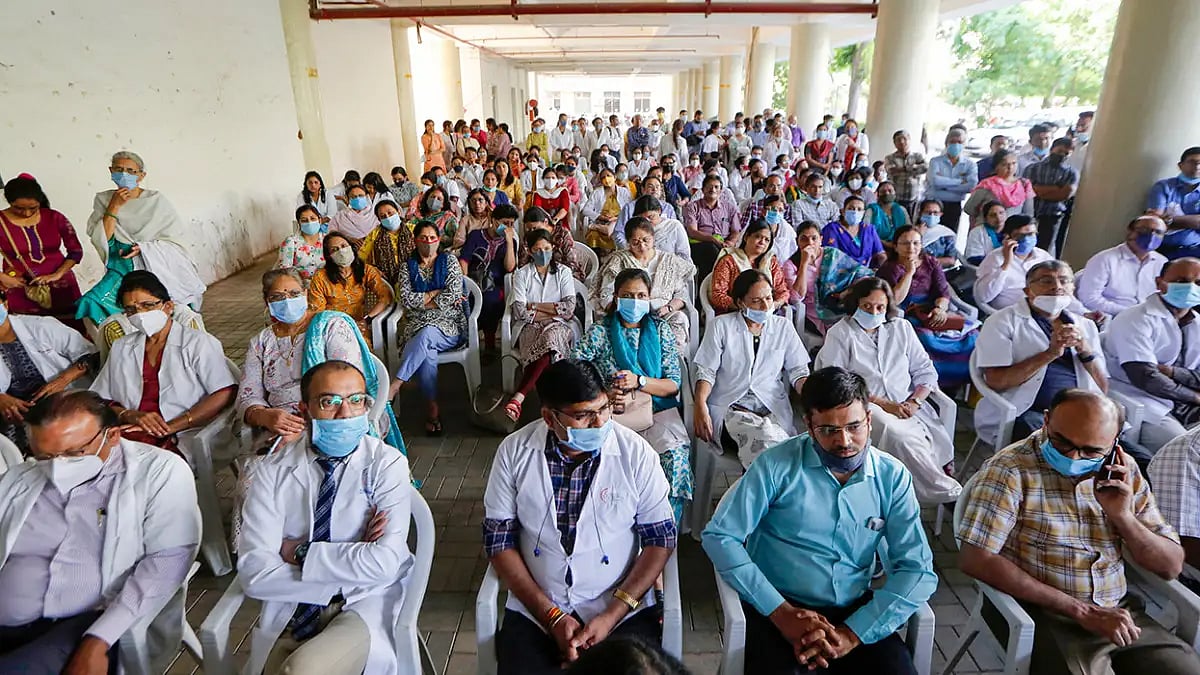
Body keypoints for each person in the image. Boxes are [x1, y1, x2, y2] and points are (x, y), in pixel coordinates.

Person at [703, 366, 935, 674]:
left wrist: (851, 634)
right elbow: (721, 536)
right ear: (809, 427)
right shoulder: (776, 466)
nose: (844, 441)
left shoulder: (892, 478)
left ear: (869, 419)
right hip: (779, 606)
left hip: (855, 612)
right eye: (828, 430)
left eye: (854, 426)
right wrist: (781, 612)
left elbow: (917, 569)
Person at [958, 389, 1200, 675]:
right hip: (1042, 612)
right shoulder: (1011, 469)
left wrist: (1123, 517)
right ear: (1045, 421)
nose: (1073, 457)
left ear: (1114, 443)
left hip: (1119, 611)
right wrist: (1082, 611)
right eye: (1061, 442)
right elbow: (976, 559)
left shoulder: (1122, 471)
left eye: (1090, 451)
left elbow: (1170, 566)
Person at [482, 358, 676, 675]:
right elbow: (499, 541)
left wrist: (612, 614)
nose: (599, 424)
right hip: (539, 606)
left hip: (620, 606)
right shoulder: (514, 452)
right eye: (583, 416)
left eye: (603, 409)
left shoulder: (636, 453)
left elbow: (660, 539)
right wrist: (552, 617)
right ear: (549, 417)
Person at [0, 391, 200, 674]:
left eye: (74, 453)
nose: (58, 467)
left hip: (85, 623)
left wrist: (97, 640)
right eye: (45, 456)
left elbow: (168, 560)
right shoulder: (19, 480)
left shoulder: (158, 472)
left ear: (113, 436)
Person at [238, 360, 413, 675]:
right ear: (304, 411)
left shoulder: (386, 465)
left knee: (301, 671)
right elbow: (255, 573)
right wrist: (354, 553)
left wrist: (299, 552)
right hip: (292, 611)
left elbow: (386, 563)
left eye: (356, 400)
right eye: (329, 402)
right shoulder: (271, 472)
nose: (345, 413)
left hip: (359, 605)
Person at [814, 279, 964, 504]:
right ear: (856, 304)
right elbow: (837, 383)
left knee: (922, 442)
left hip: (908, 404)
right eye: (867, 306)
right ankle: (947, 494)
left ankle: (918, 494)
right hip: (864, 405)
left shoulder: (901, 328)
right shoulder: (841, 333)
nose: (873, 312)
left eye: (880, 307)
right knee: (896, 435)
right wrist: (885, 404)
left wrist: (915, 401)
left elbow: (925, 370)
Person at [572, 268, 692, 522]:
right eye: (628, 295)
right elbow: (574, 368)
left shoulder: (660, 330)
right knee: (601, 464)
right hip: (612, 414)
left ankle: (661, 534)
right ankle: (615, 530)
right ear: (616, 297)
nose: (635, 302)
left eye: (641, 295)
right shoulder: (601, 331)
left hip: (658, 410)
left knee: (676, 459)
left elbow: (672, 385)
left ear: (649, 298)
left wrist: (638, 381)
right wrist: (605, 394)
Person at [91, 271, 236, 452]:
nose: (140, 314)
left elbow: (224, 392)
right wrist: (130, 415)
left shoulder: (198, 343)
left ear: (168, 306)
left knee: (139, 468)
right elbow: (101, 398)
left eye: (147, 305)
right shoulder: (122, 347)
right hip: (131, 431)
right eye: (131, 310)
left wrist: (172, 426)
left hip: (183, 433)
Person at [974, 260, 1107, 443]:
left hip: (1080, 411)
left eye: (1064, 280)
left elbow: (1103, 386)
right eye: (1046, 281)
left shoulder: (1085, 326)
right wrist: (1050, 354)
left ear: (1072, 288)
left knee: (1133, 455)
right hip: (1028, 412)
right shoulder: (1002, 321)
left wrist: (1084, 349)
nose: (1057, 287)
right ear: (1027, 290)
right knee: (1064, 448)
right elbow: (996, 382)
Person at [237, 268, 363, 452]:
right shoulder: (261, 342)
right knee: (265, 470)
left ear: (305, 294)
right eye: (278, 297)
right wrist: (264, 416)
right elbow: (247, 395)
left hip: (331, 417)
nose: (287, 301)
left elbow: (346, 385)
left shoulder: (330, 327)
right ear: (267, 302)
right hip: (278, 424)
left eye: (294, 293)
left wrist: (307, 427)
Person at [694, 270, 811, 468]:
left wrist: (812, 399)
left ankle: (762, 494)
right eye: (756, 301)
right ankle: (768, 494)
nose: (766, 306)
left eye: (768, 298)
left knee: (789, 448)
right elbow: (706, 371)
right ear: (740, 303)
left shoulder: (783, 327)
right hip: (732, 408)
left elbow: (798, 371)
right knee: (768, 443)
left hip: (771, 407)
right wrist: (700, 404)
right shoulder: (721, 326)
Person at [77, 151, 206, 327]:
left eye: (131, 171)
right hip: (120, 266)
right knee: (93, 301)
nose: (124, 174)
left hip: (154, 265)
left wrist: (144, 249)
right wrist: (114, 206)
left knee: (164, 307)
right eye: (119, 169)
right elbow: (102, 238)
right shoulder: (104, 199)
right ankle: (119, 345)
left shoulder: (156, 201)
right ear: (111, 171)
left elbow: (175, 240)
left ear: (141, 175)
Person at [1104, 257, 1200, 451]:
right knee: (1183, 449)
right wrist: (1194, 396)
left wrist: (1172, 372)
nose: (1191, 288)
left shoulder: (1197, 323)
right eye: (1181, 281)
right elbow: (1147, 377)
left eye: (1198, 283)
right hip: (1141, 400)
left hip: (1184, 404)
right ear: (1159, 283)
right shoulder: (1135, 318)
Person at [389, 221, 467, 436]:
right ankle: (432, 410)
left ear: (439, 239)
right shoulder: (407, 266)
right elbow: (405, 298)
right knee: (427, 353)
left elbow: (453, 293)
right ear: (415, 241)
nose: (428, 242)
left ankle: (396, 384)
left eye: (432, 238)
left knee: (427, 335)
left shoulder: (449, 260)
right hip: (415, 324)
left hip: (449, 324)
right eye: (423, 238)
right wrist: (435, 293)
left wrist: (424, 299)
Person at [0, 289, 98, 453]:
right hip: (14, 417)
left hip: (63, 403)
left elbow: (91, 355)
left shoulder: (40, 326)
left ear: (5, 303)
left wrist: (62, 380)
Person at [877, 227, 977, 385]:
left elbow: (943, 292)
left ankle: (960, 381)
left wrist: (940, 308)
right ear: (895, 246)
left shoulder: (931, 262)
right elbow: (894, 300)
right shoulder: (889, 268)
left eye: (916, 243)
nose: (911, 248)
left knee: (972, 335)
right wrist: (909, 273)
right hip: (904, 314)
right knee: (926, 339)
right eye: (905, 243)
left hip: (930, 310)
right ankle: (932, 382)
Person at [503, 230, 578, 422]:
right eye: (537, 249)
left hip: (559, 325)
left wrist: (534, 306)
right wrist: (552, 308)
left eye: (546, 248)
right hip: (530, 326)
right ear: (529, 251)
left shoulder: (563, 272)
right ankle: (553, 405)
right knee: (548, 350)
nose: (543, 253)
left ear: (553, 248)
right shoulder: (522, 274)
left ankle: (519, 397)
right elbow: (520, 311)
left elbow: (568, 309)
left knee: (552, 339)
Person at [594, 218, 695, 350]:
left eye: (646, 241)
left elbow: (681, 295)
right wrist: (626, 311)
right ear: (628, 242)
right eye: (635, 242)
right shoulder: (618, 260)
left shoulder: (668, 261)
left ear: (653, 238)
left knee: (679, 319)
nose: (641, 246)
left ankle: (670, 362)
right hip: (628, 314)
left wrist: (668, 308)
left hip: (662, 313)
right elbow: (605, 294)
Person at [0, 176, 84, 327]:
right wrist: (2, 278)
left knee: (73, 332)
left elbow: (76, 251)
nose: (26, 213)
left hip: (62, 286)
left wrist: (57, 274)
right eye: (18, 208)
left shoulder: (54, 217)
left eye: (33, 208)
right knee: (30, 334)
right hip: (19, 286)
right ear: (8, 201)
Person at [307, 233, 393, 348]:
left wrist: (367, 320)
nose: (341, 251)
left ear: (351, 247)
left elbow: (385, 297)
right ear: (329, 256)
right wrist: (335, 327)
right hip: (331, 327)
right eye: (334, 249)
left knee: (361, 347)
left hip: (358, 325)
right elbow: (318, 312)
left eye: (344, 246)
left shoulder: (366, 270)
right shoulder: (320, 277)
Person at [1078, 216, 1169, 318]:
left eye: (1158, 232)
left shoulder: (1162, 262)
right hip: (1112, 319)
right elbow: (1089, 298)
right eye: (1145, 230)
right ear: (1130, 231)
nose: (1152, 236)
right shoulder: (1104, 259)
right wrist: (1129, 313)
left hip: (1150, 319)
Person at [460, 204, 519, 351]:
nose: (508, 227)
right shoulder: (476, 235)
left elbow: (509, 268)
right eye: (505, 223)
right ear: (494, 220)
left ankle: (489, 343)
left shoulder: (510, 242)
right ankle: (466, 338)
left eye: (512, 224)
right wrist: (465, 283)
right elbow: (464, 259)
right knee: (466, 299)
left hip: (496, 285)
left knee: (491, 301)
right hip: (473, 280)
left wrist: (510, 242)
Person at [974, 215, 1059, 310]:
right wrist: (1006, 263)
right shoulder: (995, 258)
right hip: (1009, 312)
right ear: (1008, 237)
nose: (1027, 239)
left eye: (1031, 234)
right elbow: (984, 297)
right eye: (1021, 236)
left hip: (1040, 309)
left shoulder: (1043, 256)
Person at [709, 219, 789, 314]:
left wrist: (771, 306)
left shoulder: (771, 262)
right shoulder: (729, 260)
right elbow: (717, 295)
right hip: (736, 312)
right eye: (758, 237)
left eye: (766, 240)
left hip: (768, 312)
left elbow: (783, 292)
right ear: (746, 237)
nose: (762, 242)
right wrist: (747, 307)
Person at [1023, 137, 1079, 256]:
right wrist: (1056, 187)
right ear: (1052, 149)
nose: (1062, 155)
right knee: (1024, 247)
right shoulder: (1033, 168)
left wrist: (1040, 190)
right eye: (1059, 151)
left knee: (1044, 250)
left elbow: (1065, 194)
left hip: (1052, 216)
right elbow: (1027, 190)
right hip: (1030, 214)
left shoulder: (1071, 173)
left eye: (1066, 153)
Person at [685, 175, 743, 280]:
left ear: (721, 190)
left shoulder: (730, 208)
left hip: (724, 245)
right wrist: (713, 239)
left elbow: (736, 231)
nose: (713, 189)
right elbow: (692, 232)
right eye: (709, 187)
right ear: (702, 190)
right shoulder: (693, 207)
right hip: (699, 244)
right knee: (711, 250)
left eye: (716, 187)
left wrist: (730, 243)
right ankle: (709, 289)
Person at [1147, 147, 1200, 260]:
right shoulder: (1164, 186)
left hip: (1194, 249)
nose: (1197, 167)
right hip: (1162, 248)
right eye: (1192, 162)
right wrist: (1192, 221)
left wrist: (1170, 220)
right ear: (1180, 165)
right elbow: (1155, 220)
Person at [964, 148, 1035, 233]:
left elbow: (1028, 212)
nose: (1010, 167)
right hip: (986, 233)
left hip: (1012, 233)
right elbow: (969, 208)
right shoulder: (987, 185)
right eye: (1005, 164)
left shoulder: (1024, 184)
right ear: (996, 167)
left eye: (1014, 163)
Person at [926, 129, 978, 232]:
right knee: (930, 232)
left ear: (964, 144)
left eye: (959, 142)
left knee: (950, 233)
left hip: (954, 206)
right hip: (934, 204)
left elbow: (971, 186)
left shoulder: (970, 164)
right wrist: (959, 181)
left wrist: (943, 184)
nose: (956, 145)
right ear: (946, 143)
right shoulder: (935, 161)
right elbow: (935, 181)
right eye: (952, 142)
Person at [520, 206, 585, 281]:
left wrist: (555, 278)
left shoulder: (562, 234)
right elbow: (522, 263)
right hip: (537, 277)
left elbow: (571, 262)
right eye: (529, 229)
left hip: (564, 276)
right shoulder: (529, 236)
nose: (532, 232)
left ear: (546, 222)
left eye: (535, 228)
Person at [822, 195, 885, 269]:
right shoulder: (832, 229)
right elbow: (831, 258)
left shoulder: (869, 229)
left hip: (867, 273)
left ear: (863, 213)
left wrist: (882, 270)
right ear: (842, 211)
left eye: (859, 209)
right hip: (840, 274)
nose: (855, 212)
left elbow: (880, 254)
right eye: (851, 208)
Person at [276, 205, 327, 287]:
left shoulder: (328, 240)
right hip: (301, 287)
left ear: (320, 220)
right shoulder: (291, 242)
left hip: (326, 286)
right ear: (299, 223)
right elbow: (285, 271)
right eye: (304, 220)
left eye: (313, 219)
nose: (309, 222)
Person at [582, 168, 632, 252]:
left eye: (608, 176)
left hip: (619, 221)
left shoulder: (624, 192)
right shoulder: (597, 193)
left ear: (615, 177)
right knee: (593, 236)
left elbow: (630, 210)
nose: (606, 179)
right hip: (601, 221)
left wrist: (616, 218)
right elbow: (585, 210)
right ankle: (598, 260)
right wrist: (601, 217)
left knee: (616, 234)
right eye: (603, 177)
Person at [911, 200, 961, 269]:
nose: (931, 215)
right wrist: (919, 236)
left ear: (940, 214)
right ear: (920, 213)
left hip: (941, 272)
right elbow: (910, 256)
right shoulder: (910, 232)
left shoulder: (946, 234)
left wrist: (926, 262)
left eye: (935, 213)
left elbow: (951, 260)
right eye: (928, 212)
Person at [412, 184, 458, 252]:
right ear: (427, 199)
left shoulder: (448, 218)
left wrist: (439, 238)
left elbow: (456, 240)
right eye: (432, 197)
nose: (434, 200)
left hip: (440, 253)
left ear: (443, 204)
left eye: (439, 199)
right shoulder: (417, 217)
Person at [964, 200, 1007, 266]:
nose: (998, 217)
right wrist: (1000, 263)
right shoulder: (977, 232)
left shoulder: (1013, 230)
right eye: (993, 215)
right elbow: (973, 258)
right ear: (985, 218)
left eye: (1001, 213)